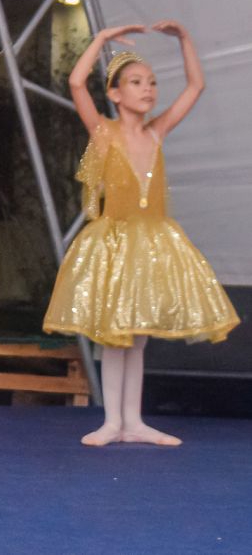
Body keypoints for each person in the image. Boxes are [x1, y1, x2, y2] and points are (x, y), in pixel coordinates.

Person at [44, 22, 239, 446]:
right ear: (115, 94)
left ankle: (133, 421)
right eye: (136, 82)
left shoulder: (157, 131)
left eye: (151, 82)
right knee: (117, 338)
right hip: (115, 245)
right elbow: (76, 82)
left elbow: (196, 86)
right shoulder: (103, 132)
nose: (148, 89)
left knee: (139, 339)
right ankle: (112, 421)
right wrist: (103, 37)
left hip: (153, 245)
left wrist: (185, 39)